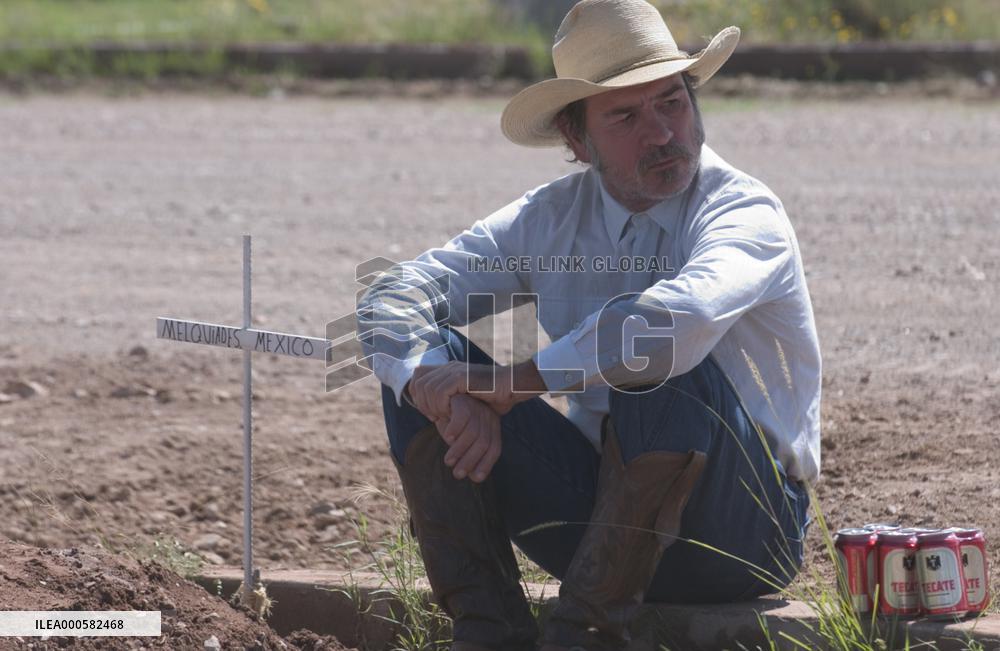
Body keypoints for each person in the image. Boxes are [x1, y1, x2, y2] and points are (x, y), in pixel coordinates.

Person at [355, 1, 821, 649]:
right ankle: (489, 632)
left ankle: (582, 637)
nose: (661, 133)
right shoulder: (547, 220)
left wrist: (518, 380)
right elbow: (393, 292)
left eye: (672, 102)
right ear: (577, 141)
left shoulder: (743, 211)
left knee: (655, 366)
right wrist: (429, 383)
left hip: (743, 534)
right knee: (421, 367)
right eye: (626, 116)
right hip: (601, 524)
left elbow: (670, 323)